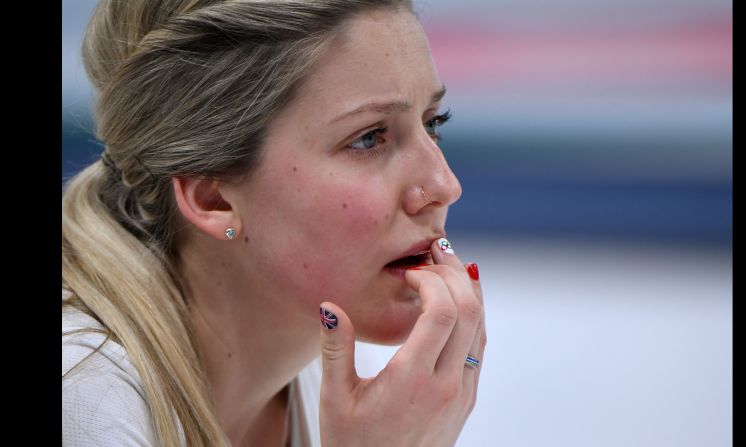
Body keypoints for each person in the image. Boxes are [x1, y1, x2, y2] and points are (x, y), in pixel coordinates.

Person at [62, 0, 486, 445]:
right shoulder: (83, 397)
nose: (444, 184)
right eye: (368, 137)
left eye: (432, 122)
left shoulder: (337, 387)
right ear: (213, 198)